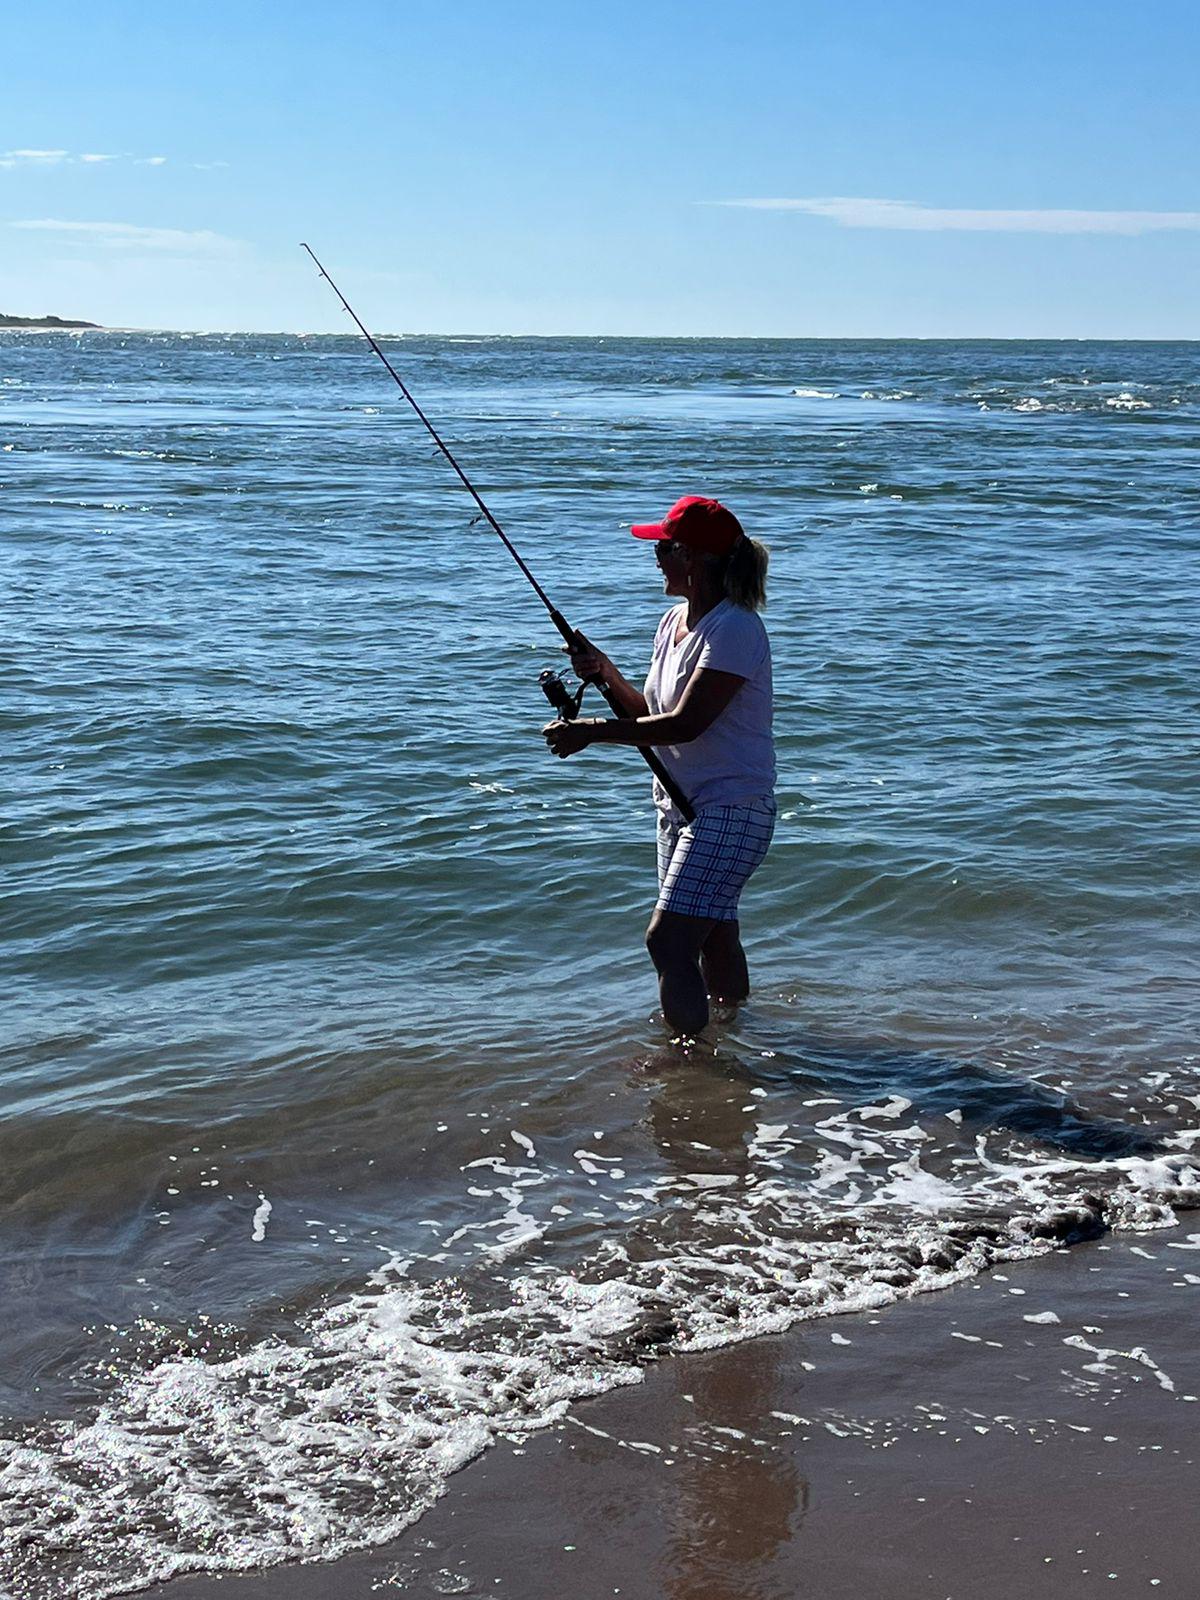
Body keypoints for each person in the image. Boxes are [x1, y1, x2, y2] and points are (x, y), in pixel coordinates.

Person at [543, 495, 775, 1037]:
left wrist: (590, 734)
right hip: (682, 806)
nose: (656, 557)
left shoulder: (735, 629)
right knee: (713, 930)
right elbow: (652, 713)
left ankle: (690, 1063)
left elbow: (685, 724)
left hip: (732, 808)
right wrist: (605, 672)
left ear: (693, 558)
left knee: (667, 940)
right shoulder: (674, 622)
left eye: (664, 548)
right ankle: (733, 1033)